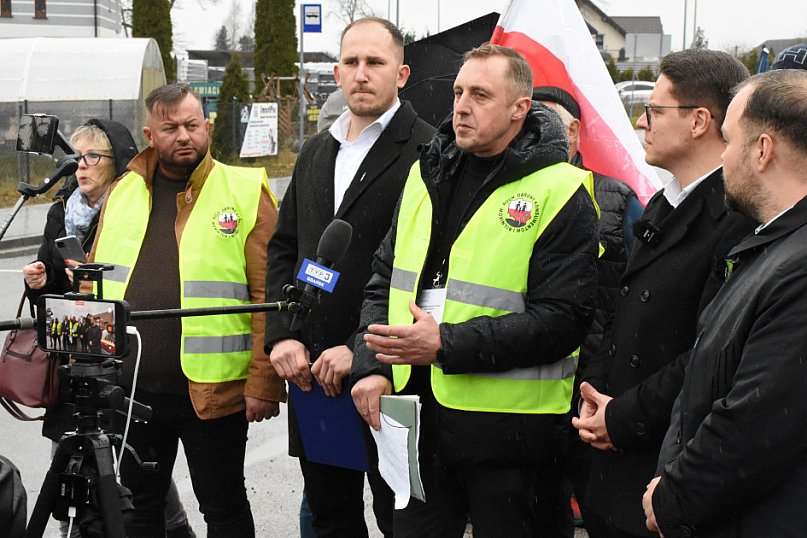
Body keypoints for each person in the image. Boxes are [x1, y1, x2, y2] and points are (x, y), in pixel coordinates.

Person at [350, 43, 599, 537]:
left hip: (510, 439)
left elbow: (564, 319)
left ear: (519, 108)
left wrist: (446, 344)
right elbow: (383, 280)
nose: (460, 105)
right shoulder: (426, 174)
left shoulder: (560, 189)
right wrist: (373, 366)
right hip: (417, 421)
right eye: (458, 91)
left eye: (480, 95)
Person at [572, 49, 756, 538]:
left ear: (699, 121)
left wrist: (624, 416)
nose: (640, 120)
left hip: (661, 463)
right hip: (616, 457)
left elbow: (708, 354)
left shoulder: (735, 219)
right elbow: (620, 317)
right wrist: (595, 398)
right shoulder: (665, 201)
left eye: (654, 109)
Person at [88, 83, 284, 537]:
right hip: (133, 391)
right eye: (171, 127)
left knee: (224, 509)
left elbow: (267, 295)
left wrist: (264, 381)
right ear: (149, 134)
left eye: (193, 126)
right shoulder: (123, 191)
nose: (184, 136)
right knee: (138, 511)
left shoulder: (244, 189)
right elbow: (98, 285)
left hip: (214, 396)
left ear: (207, 127)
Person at [266, 17, 435, 538]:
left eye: (376, 63)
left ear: (401, 73)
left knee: (401, 520)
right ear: (337, 72)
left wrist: (358, 348)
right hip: (312, 376)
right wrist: (284, 336)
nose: (362, 74)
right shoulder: (317, 151)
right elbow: (285, 249)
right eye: (352, 63)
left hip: (388, 376)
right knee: (330, 517)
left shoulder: (429, 152)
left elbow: (427, 271)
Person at [643, 68, 807, 538]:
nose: (724, 157)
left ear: (762, 151)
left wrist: (675, 495)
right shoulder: (768, 248)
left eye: (730, 141)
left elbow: (757, 423)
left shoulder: (797, 266)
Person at [20, 119, 197, 538]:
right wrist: (41, 284)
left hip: (123, 357)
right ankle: (76, 528)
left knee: (129, 464)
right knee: (73, 461)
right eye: (77, 158)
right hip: (74, 358)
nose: (81, 167)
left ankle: (174, 528)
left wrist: (94, 280)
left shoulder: (137, 209)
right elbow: (50, 302)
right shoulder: (61, 211)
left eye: (93, 158)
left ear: (117, 164)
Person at [532, 86, 643, 536]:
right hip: (526, 389)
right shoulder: (507, 199)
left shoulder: (618, 200)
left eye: (548, 118)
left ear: (575, 131)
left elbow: (642, 293)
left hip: (591, 388)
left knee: (601, 510)